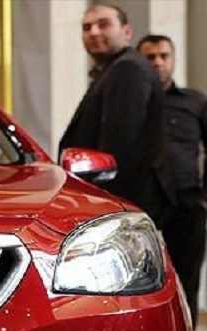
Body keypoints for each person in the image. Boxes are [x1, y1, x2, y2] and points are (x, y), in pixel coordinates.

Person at [58, 4, 175, 226]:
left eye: (103, 25)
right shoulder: (115, 68)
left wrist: (106, 209)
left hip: (123, 203)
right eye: (87, 27)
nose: (93, 32)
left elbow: (120, 147)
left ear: (127, 32)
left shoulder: (127, 68)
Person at [138, 34, 207, 328]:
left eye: (164, 56)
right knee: (141, 283)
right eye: (150, 57)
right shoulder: (131, 102)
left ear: (173, 59)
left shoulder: (195, 101)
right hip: (144, 204)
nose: (158, 63)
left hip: (187, 201)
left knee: (187, 281)